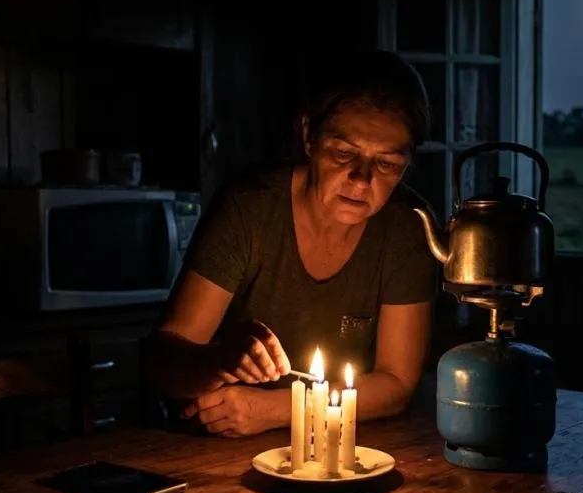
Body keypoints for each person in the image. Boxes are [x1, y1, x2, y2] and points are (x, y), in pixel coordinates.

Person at [146, 50, 438, 437]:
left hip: (342, 447)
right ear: (308, 136)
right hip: (217, 448)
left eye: (385, 164)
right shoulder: (250, 210)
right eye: (344, 153)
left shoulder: (408, 227)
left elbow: (397, 385)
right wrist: (215, 362)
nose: (362, 179)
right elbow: (162, 361)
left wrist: (278, 409)